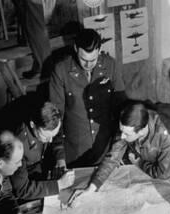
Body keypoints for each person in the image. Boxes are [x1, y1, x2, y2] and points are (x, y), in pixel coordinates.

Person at [49, 28, 126, 167]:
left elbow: (121, 108)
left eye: (93, 59)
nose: (88, 65)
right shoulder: (61, 70)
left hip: (105, 150)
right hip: (75, 152)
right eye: (83, 59)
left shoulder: (111, 65)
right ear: (75, 48)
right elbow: (54, 116)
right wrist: (59, 155)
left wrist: (118, 149)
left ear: (99, 49)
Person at [79, 101, 170, 193]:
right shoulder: (129, 125)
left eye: (127, 134)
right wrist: (91, 187)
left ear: (141, 131)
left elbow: (163, 174)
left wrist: (139, 163)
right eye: (121, 131)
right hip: (142, 160)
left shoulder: (166, 134)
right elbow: (112, 158)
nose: (122, 136)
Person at [12, 101, 73, 198]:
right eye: (46, 136)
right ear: (32, 124)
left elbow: (56, 138)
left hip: (42, 177)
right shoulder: (18, 145)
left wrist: (60, 159)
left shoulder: (48, 125)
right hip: (29, 191)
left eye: (53, 135)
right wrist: (58, 185)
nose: (50, 140)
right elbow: (22, 189)